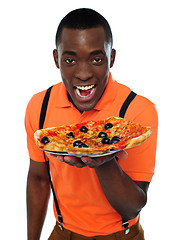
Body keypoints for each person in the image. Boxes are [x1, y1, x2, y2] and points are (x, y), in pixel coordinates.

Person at [25, 8, 158, 240]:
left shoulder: (137, 111)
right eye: (70, 60)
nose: (83, 74)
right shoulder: (40, 105)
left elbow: (133, 206)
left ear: (112, 58)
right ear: (56, 59)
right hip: (62, 232)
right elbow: (38, 179)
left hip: (121, 235)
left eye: (97, 59)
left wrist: (103, 158)